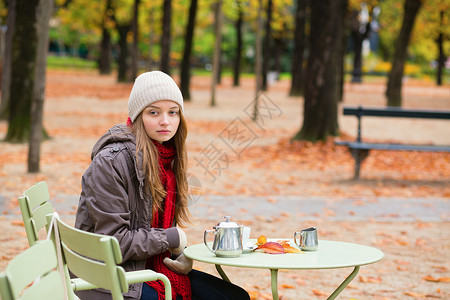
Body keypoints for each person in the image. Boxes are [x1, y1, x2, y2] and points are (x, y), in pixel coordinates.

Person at [74, 71, 250, 300]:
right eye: (154, 112)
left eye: (173, 112)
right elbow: (113, 242)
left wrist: (180, 255)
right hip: (109, 276)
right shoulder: (111, 162)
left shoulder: (167, 160)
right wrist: (171, 238)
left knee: (235, 297)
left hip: (147, 267)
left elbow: (154, 228)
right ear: (138, 116)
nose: (165, 121)